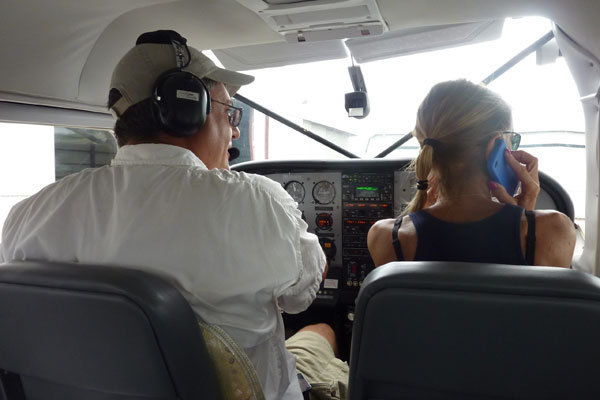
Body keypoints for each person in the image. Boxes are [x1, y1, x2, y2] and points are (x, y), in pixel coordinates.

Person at [0, 30, 347, 400]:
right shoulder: (257, 201)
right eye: (229, 112)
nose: (234, 129)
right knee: (322, 331)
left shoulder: (28, 215)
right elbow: (300, 295)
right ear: (187, 107)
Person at [368, 79, 576, 268]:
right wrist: (525, 224)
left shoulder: (386, 237)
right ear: (495, 145)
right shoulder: (553, 231)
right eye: (511, 141)